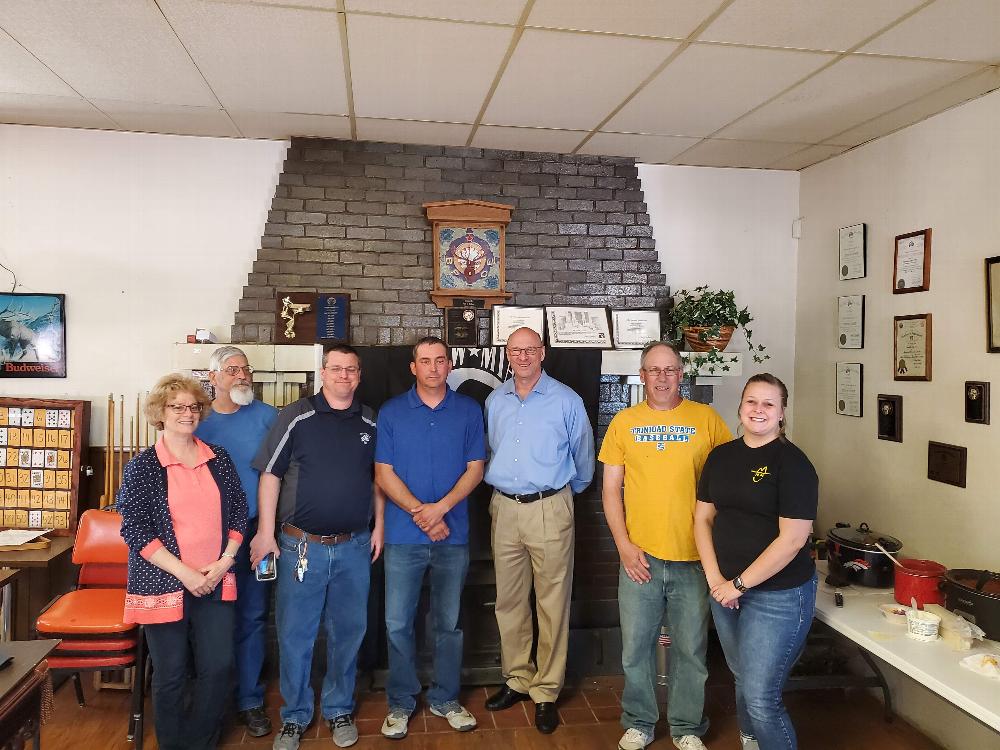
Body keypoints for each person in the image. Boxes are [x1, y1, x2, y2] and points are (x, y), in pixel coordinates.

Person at [250, 344, 385, 750]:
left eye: (351, 370)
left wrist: (379, 526)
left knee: (348, 633)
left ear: (359, 376)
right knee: (295, 635)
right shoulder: (295, 416)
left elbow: (381, 478)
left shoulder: (371, 421)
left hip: (354, 547)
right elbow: (270, 475)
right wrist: (265, 532)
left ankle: (339, 708)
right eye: (336, 369)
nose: (344, 376)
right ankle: (294, 717)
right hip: (299, 547)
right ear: (323, 373)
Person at [599, 342, 731, 750]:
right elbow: (609, 490)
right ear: (642, 376)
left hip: (695, 558)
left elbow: (728, 482)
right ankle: (639, 721)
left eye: (670, 369)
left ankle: (687, 726)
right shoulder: (623, 422)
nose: (661, 377)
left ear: (681, 374)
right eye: (654, 370)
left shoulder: (706, 420)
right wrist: (623, 545)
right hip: (641, 557)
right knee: (635, 648)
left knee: (691, 649)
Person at [117, 373, 248, 750]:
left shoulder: (218, 458)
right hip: (164, 584)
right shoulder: (143, 467)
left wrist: (224, 561)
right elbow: (136, 531)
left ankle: (201, 741)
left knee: (219, 667)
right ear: (160, 412)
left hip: (216, 579)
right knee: (171, 673)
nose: (186, 413)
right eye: (177, 406)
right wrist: (186, 574)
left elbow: (238, 512)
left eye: (193, 407)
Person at [694, 374, 818, 750]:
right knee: (741, 676)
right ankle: (751, 742)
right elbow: (702, 518)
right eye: (752, 401)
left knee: (762, 697)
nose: (758, 410)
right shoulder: (721, 456)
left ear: (782, 413)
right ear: (740, 407)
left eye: (768, 404)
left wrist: (739, 584)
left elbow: (794, 538)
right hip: (726, 590)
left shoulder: (793, 464)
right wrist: (717, 580)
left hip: (777, 596)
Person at [483, 326, 595, 734]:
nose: (524, 356)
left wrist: (562, 496)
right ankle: (517, 678)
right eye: (516, 350)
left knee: (551, 602)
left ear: (542, 353)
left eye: (531, 349)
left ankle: (546, 690)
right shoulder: (495, 400)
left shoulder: (566, 400)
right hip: (505, 508)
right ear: (507, 355)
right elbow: (491, 451)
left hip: (550, 507)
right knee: (509, 601)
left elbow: (584, 459)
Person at [374, 336, 486, 738]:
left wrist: (440, 510)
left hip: (452, 537)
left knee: (449, 623)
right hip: (403, 538)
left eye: (440, 361)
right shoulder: (391, 412)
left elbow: (476, 467)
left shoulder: (469, 410)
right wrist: (423, 514)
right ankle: (402, 703)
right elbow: (383, 473)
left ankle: (445, 697)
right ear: (413, 367)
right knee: (397, 622)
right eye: (425, 361)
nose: (434, 368)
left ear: (450, 365)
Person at [195, 346, 278, 738]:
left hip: (256, 534)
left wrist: (269, 531)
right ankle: (212, 700)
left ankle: (250, 699)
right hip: (204, 538)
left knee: (253, 615)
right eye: (231, 370)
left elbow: (281, 475)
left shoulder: (268, 417)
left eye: (245, 369)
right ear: (212, 378)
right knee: (211, 619)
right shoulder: (196, 420)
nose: (241, 375)